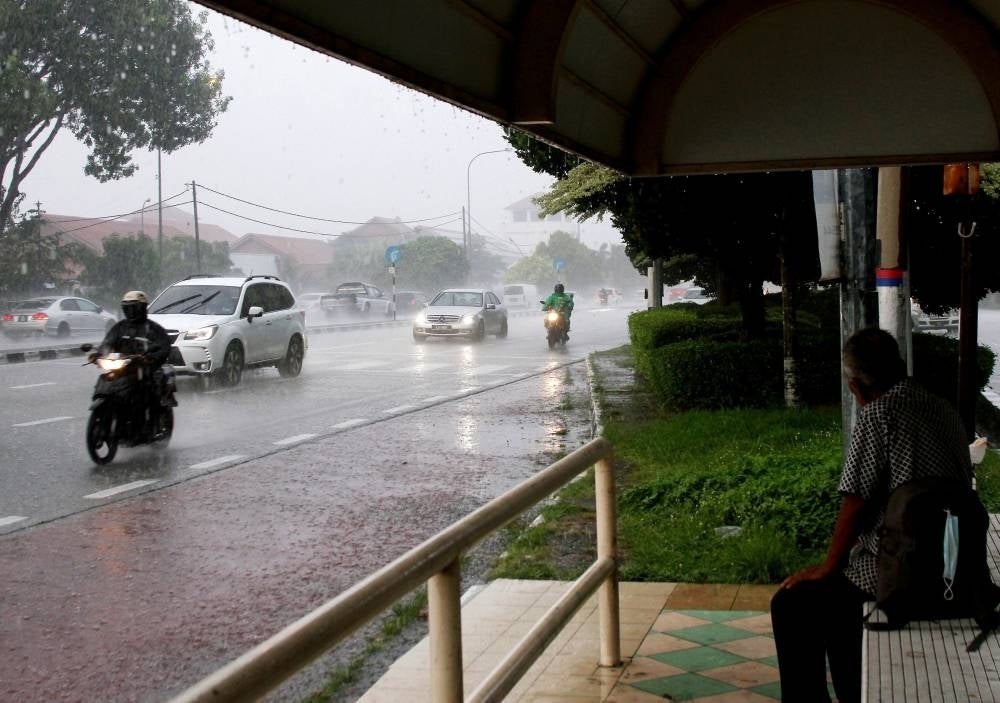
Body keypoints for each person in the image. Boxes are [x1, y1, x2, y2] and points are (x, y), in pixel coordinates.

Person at [771, 327, 973, 703]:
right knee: (832, 600)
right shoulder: (942, 407)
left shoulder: (879, 413)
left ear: (856, 386)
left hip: (905, 572)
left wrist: (827, 566)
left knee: (793, 604)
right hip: (957, 564)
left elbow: (855, 499)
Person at [93, 291, 172, 437]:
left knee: (145, 391)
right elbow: (108, 342)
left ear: (142, 308)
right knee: (106, 380)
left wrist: (150, 358)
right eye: (127, 308)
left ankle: (149, 426)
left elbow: (164, 347)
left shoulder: (153, 328)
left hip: (145, 370)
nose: (130, 311)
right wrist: (98, 355)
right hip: (123, 368)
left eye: (133, 307)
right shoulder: (120, 327)